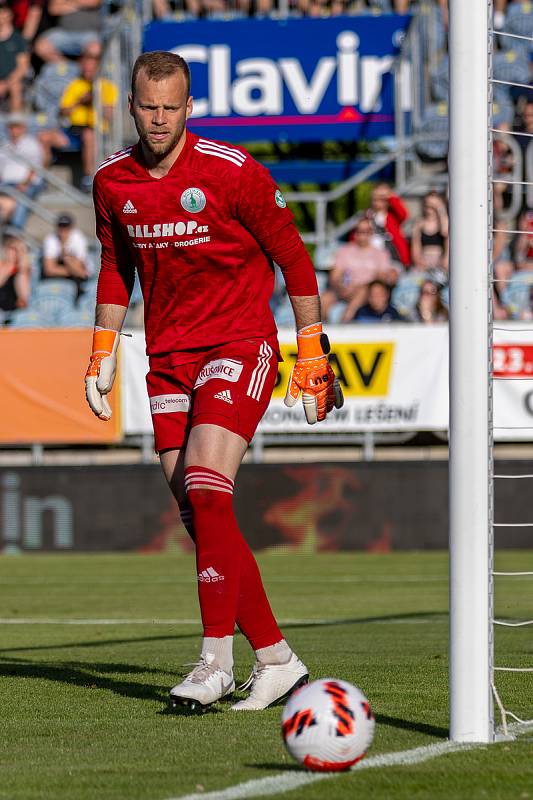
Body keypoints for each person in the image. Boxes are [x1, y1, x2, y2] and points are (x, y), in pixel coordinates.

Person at [84, 51, 343, 712]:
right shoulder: (113, 181)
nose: (161, 118)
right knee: (199, 511)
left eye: (172, 107)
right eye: (149, 107)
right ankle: (277, 658)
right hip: (166, 354)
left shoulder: (233, 172)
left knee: (205, 483)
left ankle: (213, 663)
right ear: (133, 106)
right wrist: (101, 349)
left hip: (238, 341)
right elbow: (117, 267)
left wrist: (311, 343)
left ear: (188, 106)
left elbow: (292, 256)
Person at [59, 40, 119, 190]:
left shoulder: (107, 86)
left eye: (90, 69)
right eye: (85, 68)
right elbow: (63, 112)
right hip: (75, 127)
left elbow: (110, 116)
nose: (87, 72)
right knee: (44, 136)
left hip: (97, 130)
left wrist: (97, 100)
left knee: (89, 134)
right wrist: (80, 101)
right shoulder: (75, 85)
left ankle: (88, 177)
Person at [321, 218, 400, 322]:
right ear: (355, 233)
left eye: (366, 231)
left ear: (371, 232)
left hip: (367, 292)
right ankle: (320, 331)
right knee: (323, 300)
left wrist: (359, 286)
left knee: (364, 290)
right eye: (359, 231)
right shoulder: (344, 250)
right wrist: (341, 286)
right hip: (345, 289)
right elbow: (334, 276)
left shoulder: (380, 253)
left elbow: (380, 277)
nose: (362, 235)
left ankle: (344, 322)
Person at [0, 113, 45, 228]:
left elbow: (35, 167)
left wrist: (25, 183)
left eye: (16, 126)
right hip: (6, 184)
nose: (13, 130)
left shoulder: (32, 144)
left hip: (26, 183)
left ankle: (16, 231)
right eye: (11, 127)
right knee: (6, 204)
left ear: (23, 128)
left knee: (20, 200)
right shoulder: (5, 145)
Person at [41, 213, 91, 290]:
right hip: (64, 277)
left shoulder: (78, 238)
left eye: (66, 227)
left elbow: (81, 268)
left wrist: (65, 258)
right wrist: (74, 270)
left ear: (71, 228)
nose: (63, 231)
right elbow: (48, 270)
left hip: (76, 279)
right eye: (61, 227)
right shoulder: (50, 239)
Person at [0, 0, 29, 112]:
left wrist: (6, 83)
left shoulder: (18, 39)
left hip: (12, 80)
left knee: (16, 87)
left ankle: (16, 124)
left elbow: (23, 67)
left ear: (10, 15)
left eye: (4, 12)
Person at [0, 229, 31, 316]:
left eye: (17, 249)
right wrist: (10, 264)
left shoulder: (24, 270)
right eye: (12, 248)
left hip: (16, 312)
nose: (14, 252)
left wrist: (21, 266)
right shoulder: (3, 265)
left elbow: (24, 296)